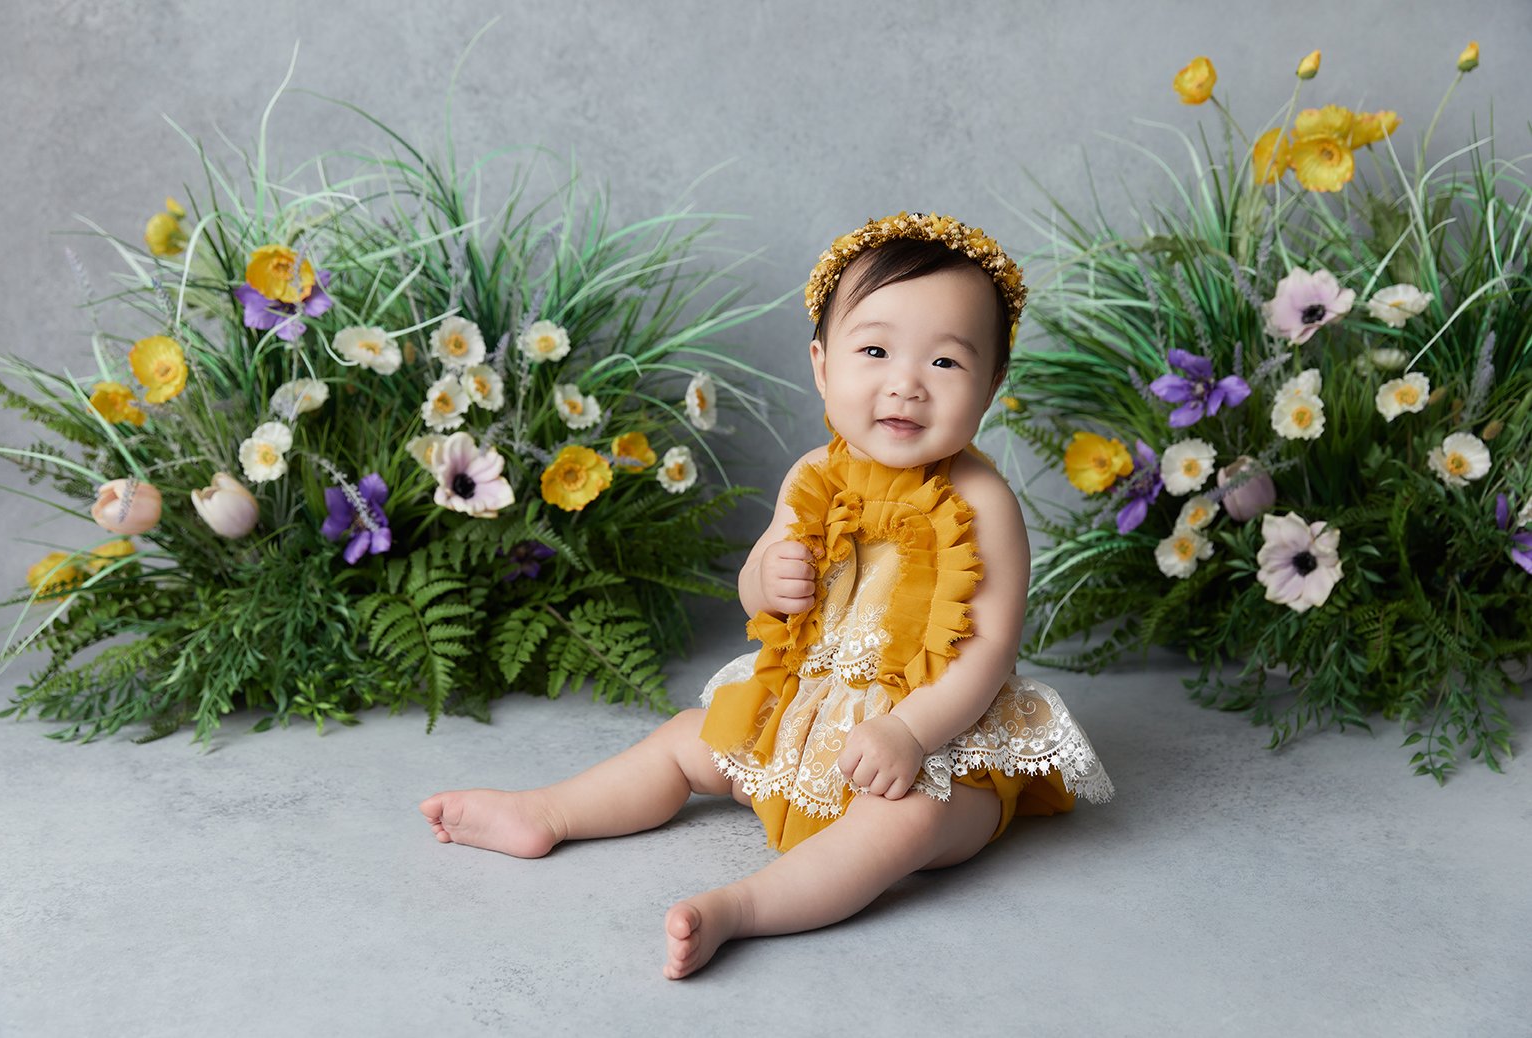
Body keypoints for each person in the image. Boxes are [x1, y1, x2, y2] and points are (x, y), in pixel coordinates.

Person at [419, 211, 1113, 980]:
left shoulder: (983, 504)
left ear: (991, 383)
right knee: (688, 738)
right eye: (874, 350)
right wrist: (767, 576)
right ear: (822, 365)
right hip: (809, 711)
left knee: (906, 823)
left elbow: (986, 650)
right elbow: (763, 577)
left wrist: (909, 735)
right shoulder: (814, 473)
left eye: (945, 363)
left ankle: (743, 908)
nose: (905, 384)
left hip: (938, 741)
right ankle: (548, 812)